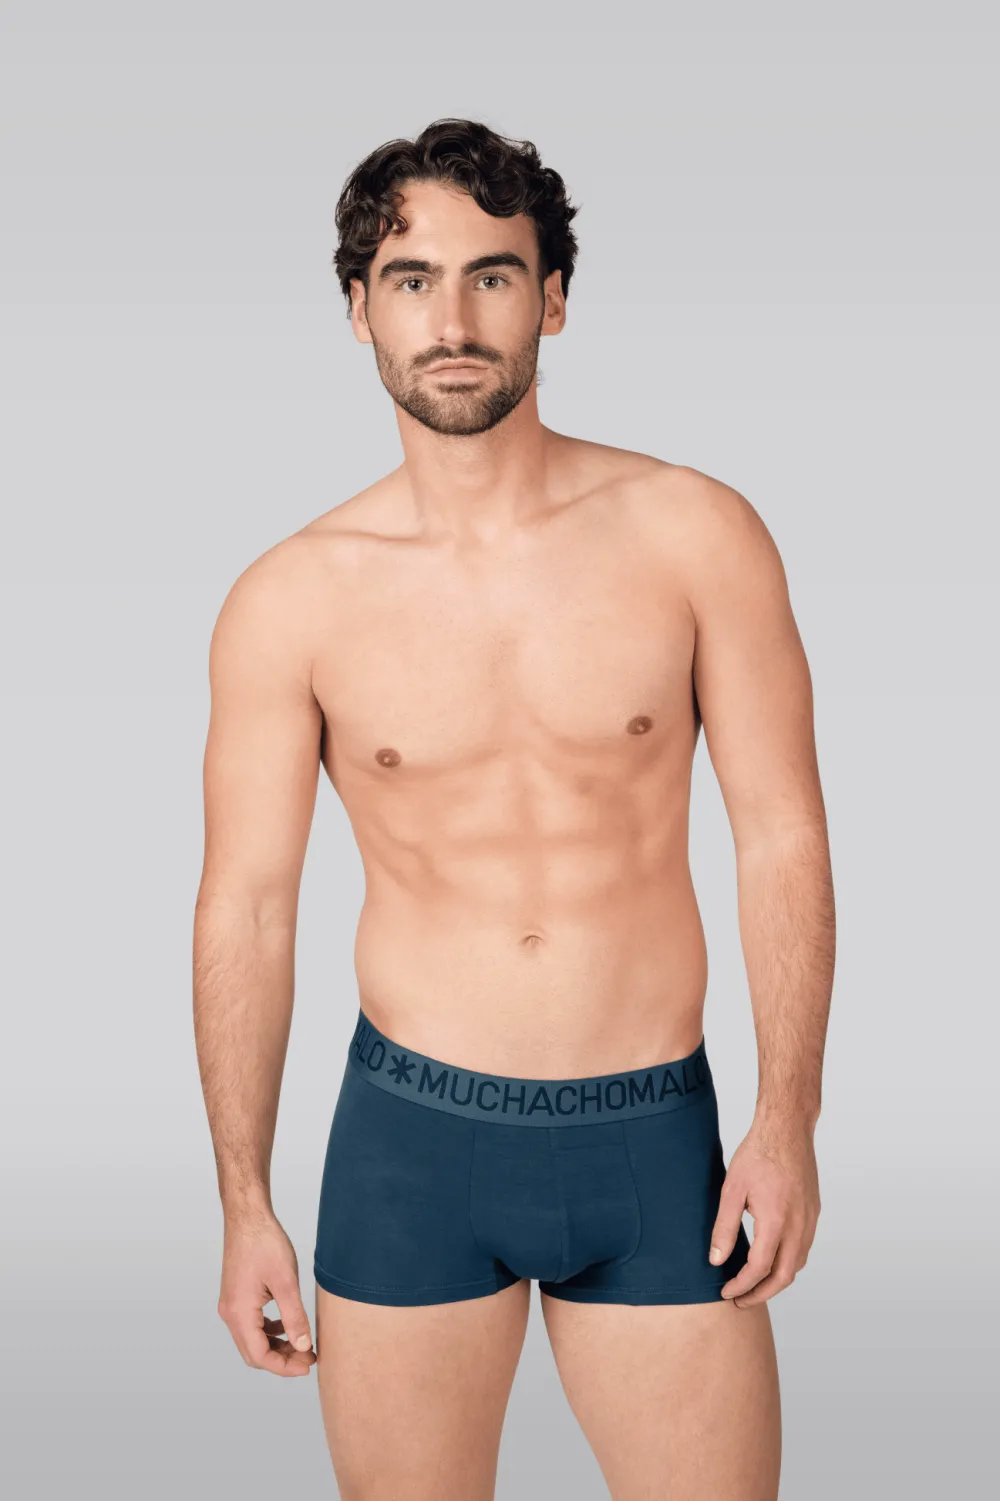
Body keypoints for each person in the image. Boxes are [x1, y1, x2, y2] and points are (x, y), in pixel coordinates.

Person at [193, 117, 834, 1501]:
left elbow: (783, 833)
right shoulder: (290, 599)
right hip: (411, 1143)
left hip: (653, 1134)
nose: (453, 320)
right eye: (411, 279)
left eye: (492, 275)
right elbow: (247, 905)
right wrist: (244, 1200)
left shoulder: (694, 533)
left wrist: (788, 1119)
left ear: (552, 299)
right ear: (359, 310)